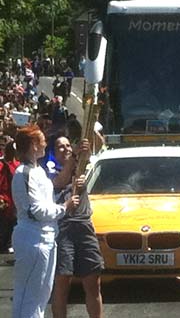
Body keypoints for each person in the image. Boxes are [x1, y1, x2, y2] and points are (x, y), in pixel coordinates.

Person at [11, 125, 79, 318]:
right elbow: (35, 211)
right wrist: (64, 207)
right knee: (29, 295)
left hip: (47, 236)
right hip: (32, 238)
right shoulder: (23, 173)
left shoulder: (38, 170)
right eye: (41, 141)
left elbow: (52, 189)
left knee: (41, 294)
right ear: (33, 145)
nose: (44, 145)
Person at [49, 136, 104, 318]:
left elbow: (99, 146)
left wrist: (92, 131)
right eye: (60, 147)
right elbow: (59, 182)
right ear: (54, 152)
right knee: (63, 281)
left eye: (67, 145)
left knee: (93, 282)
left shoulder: (80, 164)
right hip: (63, 228)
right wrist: (73, 161)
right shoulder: (47, 169)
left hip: (84, 226)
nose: (65, 149)